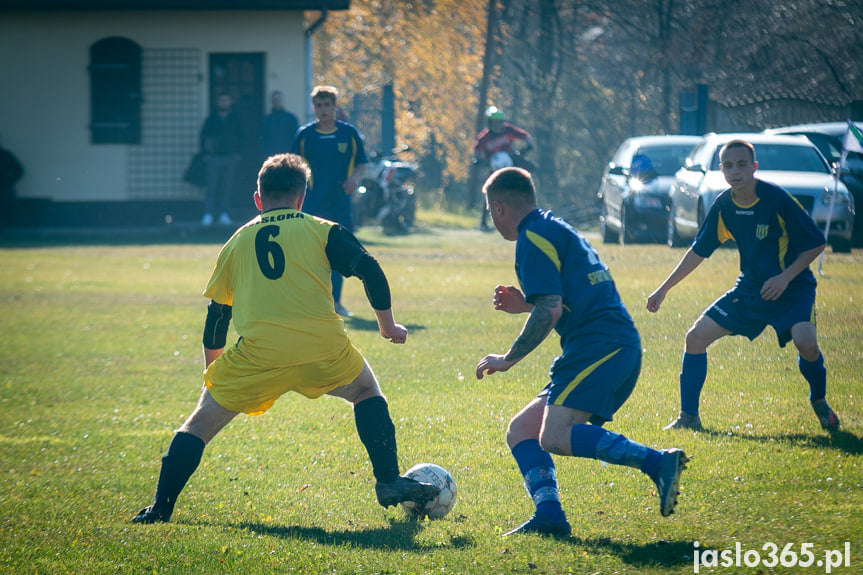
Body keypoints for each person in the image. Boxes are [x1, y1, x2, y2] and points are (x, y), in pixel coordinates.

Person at [131, 153, 438, 524]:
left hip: (259, 355)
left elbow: (218, 315)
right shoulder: (323, 229)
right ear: (302, 197)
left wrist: (215, 370)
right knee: (366, 393)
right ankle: (388, 479)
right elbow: (368, 267)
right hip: (322, 347)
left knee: (198, 425)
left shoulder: (237, 242)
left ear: (258, 199)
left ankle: (160, 508)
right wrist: (387, 326)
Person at [476, 167, 688, 537]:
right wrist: (526, 303)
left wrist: (507, 359)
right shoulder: (553, 228)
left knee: (555, 436)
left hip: (601, 346)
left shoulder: (532, 238)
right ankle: (550, 516)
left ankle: (658, 462)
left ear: (499, 208)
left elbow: (552, 309)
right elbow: (563, 299)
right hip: (604, 344)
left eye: (490, 212)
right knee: (522, 430)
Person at [647, 139, 840, 432]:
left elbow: (816, 243)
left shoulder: (777, 200)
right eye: (728, 165)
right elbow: (699, 250)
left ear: (754, 167)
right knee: (696, 337)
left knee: (806, 343)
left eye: (741, 164)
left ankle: (819, 400)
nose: (735, 171)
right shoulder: (724, 205)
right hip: (750, 289)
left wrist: (784, 277)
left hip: (792, 288)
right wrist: (663, 289)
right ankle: (689, 418)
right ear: (721, 169)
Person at [291, 86, 368, 317]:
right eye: (319, 106)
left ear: (335, 107)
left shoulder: (348, 133)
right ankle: (310, 302)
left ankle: (335, 302)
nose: (323, 110)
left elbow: (362, 163)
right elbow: (292, 165)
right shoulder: (305, 135)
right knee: (310, 256)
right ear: (314, 108)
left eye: (327, 105)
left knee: (338, 254)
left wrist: (354, 178)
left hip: (340, 205)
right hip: (312, 204)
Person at [473, 106, 533, 231]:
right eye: (495, 123)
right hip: (494, 170)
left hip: (511, 165)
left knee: (523, 183)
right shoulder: (485, 137)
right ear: (489, 123)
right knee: (489, 193)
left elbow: (526, 136)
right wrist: (479, 161)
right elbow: (476, 151)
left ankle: (525, 217)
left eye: (500, 122)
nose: (498, 125)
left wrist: (527, 147)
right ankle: (483, 222)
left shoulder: (508, 130)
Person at [199, 92, 243, 226]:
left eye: (226, 100)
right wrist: (205, 153)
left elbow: (242, 137)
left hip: (230, 157)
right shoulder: (211, 119)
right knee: (211, 187)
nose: (224, 103)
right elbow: (203, 136)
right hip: (214, 157)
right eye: (221, 100)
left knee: (227, 186)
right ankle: (207, 214)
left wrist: (238, 153)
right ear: (217, 102)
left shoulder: (236, 118)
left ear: (230, 102)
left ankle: (224, 214)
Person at [259, 90, 299, 162]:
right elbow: (262, 139)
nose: (276, 101)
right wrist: (263, 155)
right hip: (271, 156)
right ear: (271, 101)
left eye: (278, 99)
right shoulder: (266, 120)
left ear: (282, 101)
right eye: (274, 100)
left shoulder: (291, 118)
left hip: (287, 155)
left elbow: (295, 138)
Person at [0, 134, 24, 229]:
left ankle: (5, 230)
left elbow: (19, 170)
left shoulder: (5, 155)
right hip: (5, 188)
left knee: (5, 210)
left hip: (4, 189)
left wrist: (8, 181)